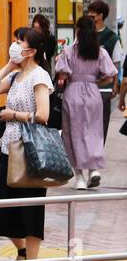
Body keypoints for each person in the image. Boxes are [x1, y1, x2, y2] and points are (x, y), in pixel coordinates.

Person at [0, 27, 54, 261]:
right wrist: (8, 65)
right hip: (8, 149)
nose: (14, 44)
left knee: (30, 209)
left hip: (31, 152)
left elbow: (43, 115)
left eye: (18, 41)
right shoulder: (14, 76)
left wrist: (15, 115)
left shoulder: (39, 76)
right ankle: (21, 252)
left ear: (31, 50)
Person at [54, 16, 116, 190]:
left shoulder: (68, 51)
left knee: (72, 134)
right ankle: (94, 170)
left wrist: (64, 77)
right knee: (94, 132)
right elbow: (110, 76)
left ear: (78, 31)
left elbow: (63, 76)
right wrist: (95, 83)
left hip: (73, 93)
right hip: (93, 95)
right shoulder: (101, 52)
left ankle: (79, 177)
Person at [87, 0, 120, 156]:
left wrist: (115, 85)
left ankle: (98, 149)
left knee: (102, 120)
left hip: (103, 87)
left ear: (100, 15)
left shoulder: (112, 38)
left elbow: (116, 64)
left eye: (93, 13)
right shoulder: (85, 34)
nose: (90, 15)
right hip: (84, 85)